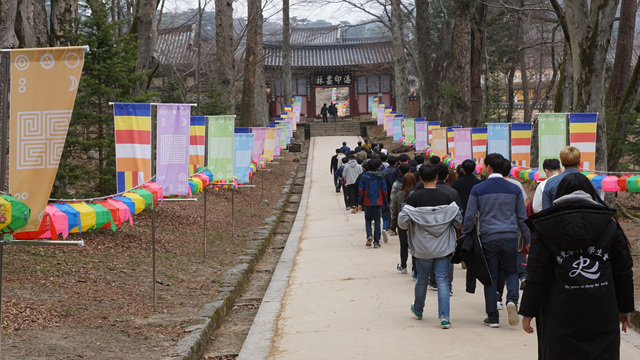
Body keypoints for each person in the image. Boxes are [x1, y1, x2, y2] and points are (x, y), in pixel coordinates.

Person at [519, 172, 635, 360]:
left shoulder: (546, 227)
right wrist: (624, 308)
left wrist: (528, 311)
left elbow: (538, 275)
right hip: (602, 310)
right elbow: (622, 271)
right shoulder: (609, 224)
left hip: (560, 312)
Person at [461, 153, 530, 328]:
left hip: (488, 238)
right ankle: (512, 300)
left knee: (490, 277)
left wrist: (465, 235)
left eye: (484, 166)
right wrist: (527, 240)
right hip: (510, 236)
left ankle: (492, 317)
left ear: (489, 167)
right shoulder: (514, 189)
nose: (483, 170)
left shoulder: (478, 189)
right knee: (512, 272)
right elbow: (522, 218)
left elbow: (469, 217)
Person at [399, 164, 463, 329]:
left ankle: (419, 309)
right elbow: (457, 221)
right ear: (437, 177)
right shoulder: (447, 197)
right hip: (443, 246)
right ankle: (444, 317)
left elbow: (403, 222)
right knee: (442, 280)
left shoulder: (414, 198)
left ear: (420, 178)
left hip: (422, 247)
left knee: (422, 279)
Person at [541, 146, 594, 210]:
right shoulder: (590, 183)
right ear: (579, 162)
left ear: (562, 163)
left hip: (559, 218)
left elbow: (546, 211)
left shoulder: (550, 183)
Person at [358, 159, 388, 248]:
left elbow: (361, 191)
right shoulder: (380, 176)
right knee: (377, 221)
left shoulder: (364, 176)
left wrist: (359, 202)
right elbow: (384, 190)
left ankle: (369, 235)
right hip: (378, 201)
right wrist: (386, 202)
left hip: (367, 201)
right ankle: (376, 241)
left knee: (367, 219)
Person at [390, 165, 414, 274]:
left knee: (403, 246)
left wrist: (392, 226)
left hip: (402, 225)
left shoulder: (399, 195)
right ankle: (415, 267)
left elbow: (395, 212)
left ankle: (403, 265)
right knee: (415, 247)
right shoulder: (417, 194)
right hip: (415, 225)